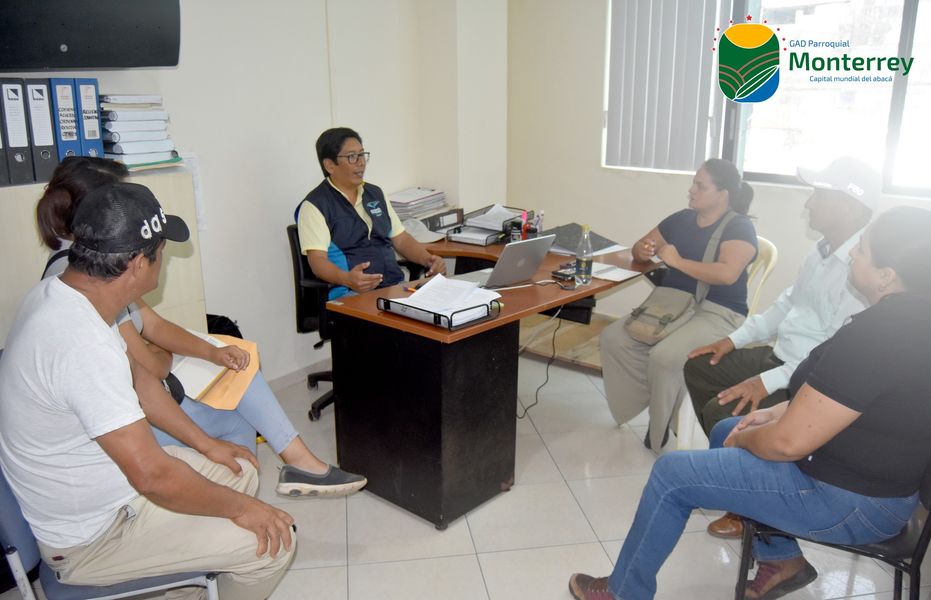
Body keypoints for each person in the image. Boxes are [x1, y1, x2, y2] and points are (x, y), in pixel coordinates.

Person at [568, 205, 931, 600]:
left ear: (886, 275)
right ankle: (782, 559)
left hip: (853, 503)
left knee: (672, 475)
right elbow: (855, 402)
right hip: (878, 487)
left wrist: (748, 438)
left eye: (862, 249)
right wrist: (774, 411)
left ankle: (623, 592)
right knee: (726, 427)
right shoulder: (912, 320)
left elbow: (786, 444)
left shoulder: (875, 336)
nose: (853, 254)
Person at [1, 182, 296, 598]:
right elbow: (152, 476)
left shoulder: (67, 296)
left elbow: (141, 383)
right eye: (161, 252)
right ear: (139, 264)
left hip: (109, 489)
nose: (163, 262)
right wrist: (247, 510)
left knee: (239, 468)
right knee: (274, 544)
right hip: (93, 537)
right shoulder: (80, 342)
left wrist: (207, 444)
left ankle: (191, 585)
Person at [36, 156, 365, 498]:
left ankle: (275, 483)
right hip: (123, 425)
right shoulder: (91, 279)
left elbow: (153, 326)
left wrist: (212, 352)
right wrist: (161, 354)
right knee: (237, 419)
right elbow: (149, 369)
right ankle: (250, 502)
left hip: (144, 397)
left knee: (236, 365)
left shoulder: (99, 264)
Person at [684, 156, 876, 539]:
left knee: (721, 413)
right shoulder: (821, 251)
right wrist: (733, 339)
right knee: (701, 366)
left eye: (819, 195)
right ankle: (742, 476)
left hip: (810, 379)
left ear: (848, 206)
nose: (808, 204)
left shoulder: (862, 271)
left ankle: (751, 506)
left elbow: (829, 354)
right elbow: (787, 304)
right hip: (782, 357)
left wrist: (765, 382)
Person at [600, 158, 758, 450]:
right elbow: (640, 247)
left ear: (722, 194)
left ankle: (660, 426)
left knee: (665, 356)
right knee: (614, 338)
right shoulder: (682, 219)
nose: (691, 190)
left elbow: (726, 274)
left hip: (718, 312)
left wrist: (677, 261)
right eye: (693, 183)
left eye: (701, 186)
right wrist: (644, 250)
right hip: (674, 305)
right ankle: (657, 397)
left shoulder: (739, 227)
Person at [295, 127, 446, 299]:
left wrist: (429, 260)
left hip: (394, 287)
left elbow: (401, 239)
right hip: (350, 294)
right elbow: (318, 261)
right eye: (352, 156)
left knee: (444, 308)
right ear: (330, 165)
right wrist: (347, 279)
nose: (361, 162)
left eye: (362, 154)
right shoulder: (315, 205)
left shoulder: (375, 194)